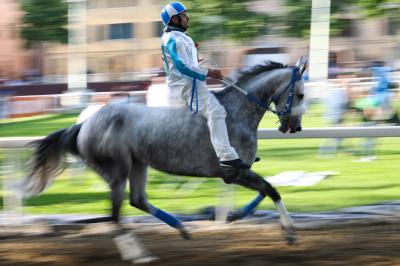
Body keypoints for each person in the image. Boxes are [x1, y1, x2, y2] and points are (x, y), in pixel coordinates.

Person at [160, 2, 249, 169]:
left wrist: (197, 61)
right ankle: (227, 157)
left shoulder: (181, 36)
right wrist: (209, 73)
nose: (187, 17)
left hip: (191, 83)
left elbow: (186, 62)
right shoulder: (173, 39)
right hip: (185, 86)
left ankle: (235, 152)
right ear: (174, 19)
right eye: (183, 15)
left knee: (222, 109)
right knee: (216, 111)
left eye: (186, 14)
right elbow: (182, 67)